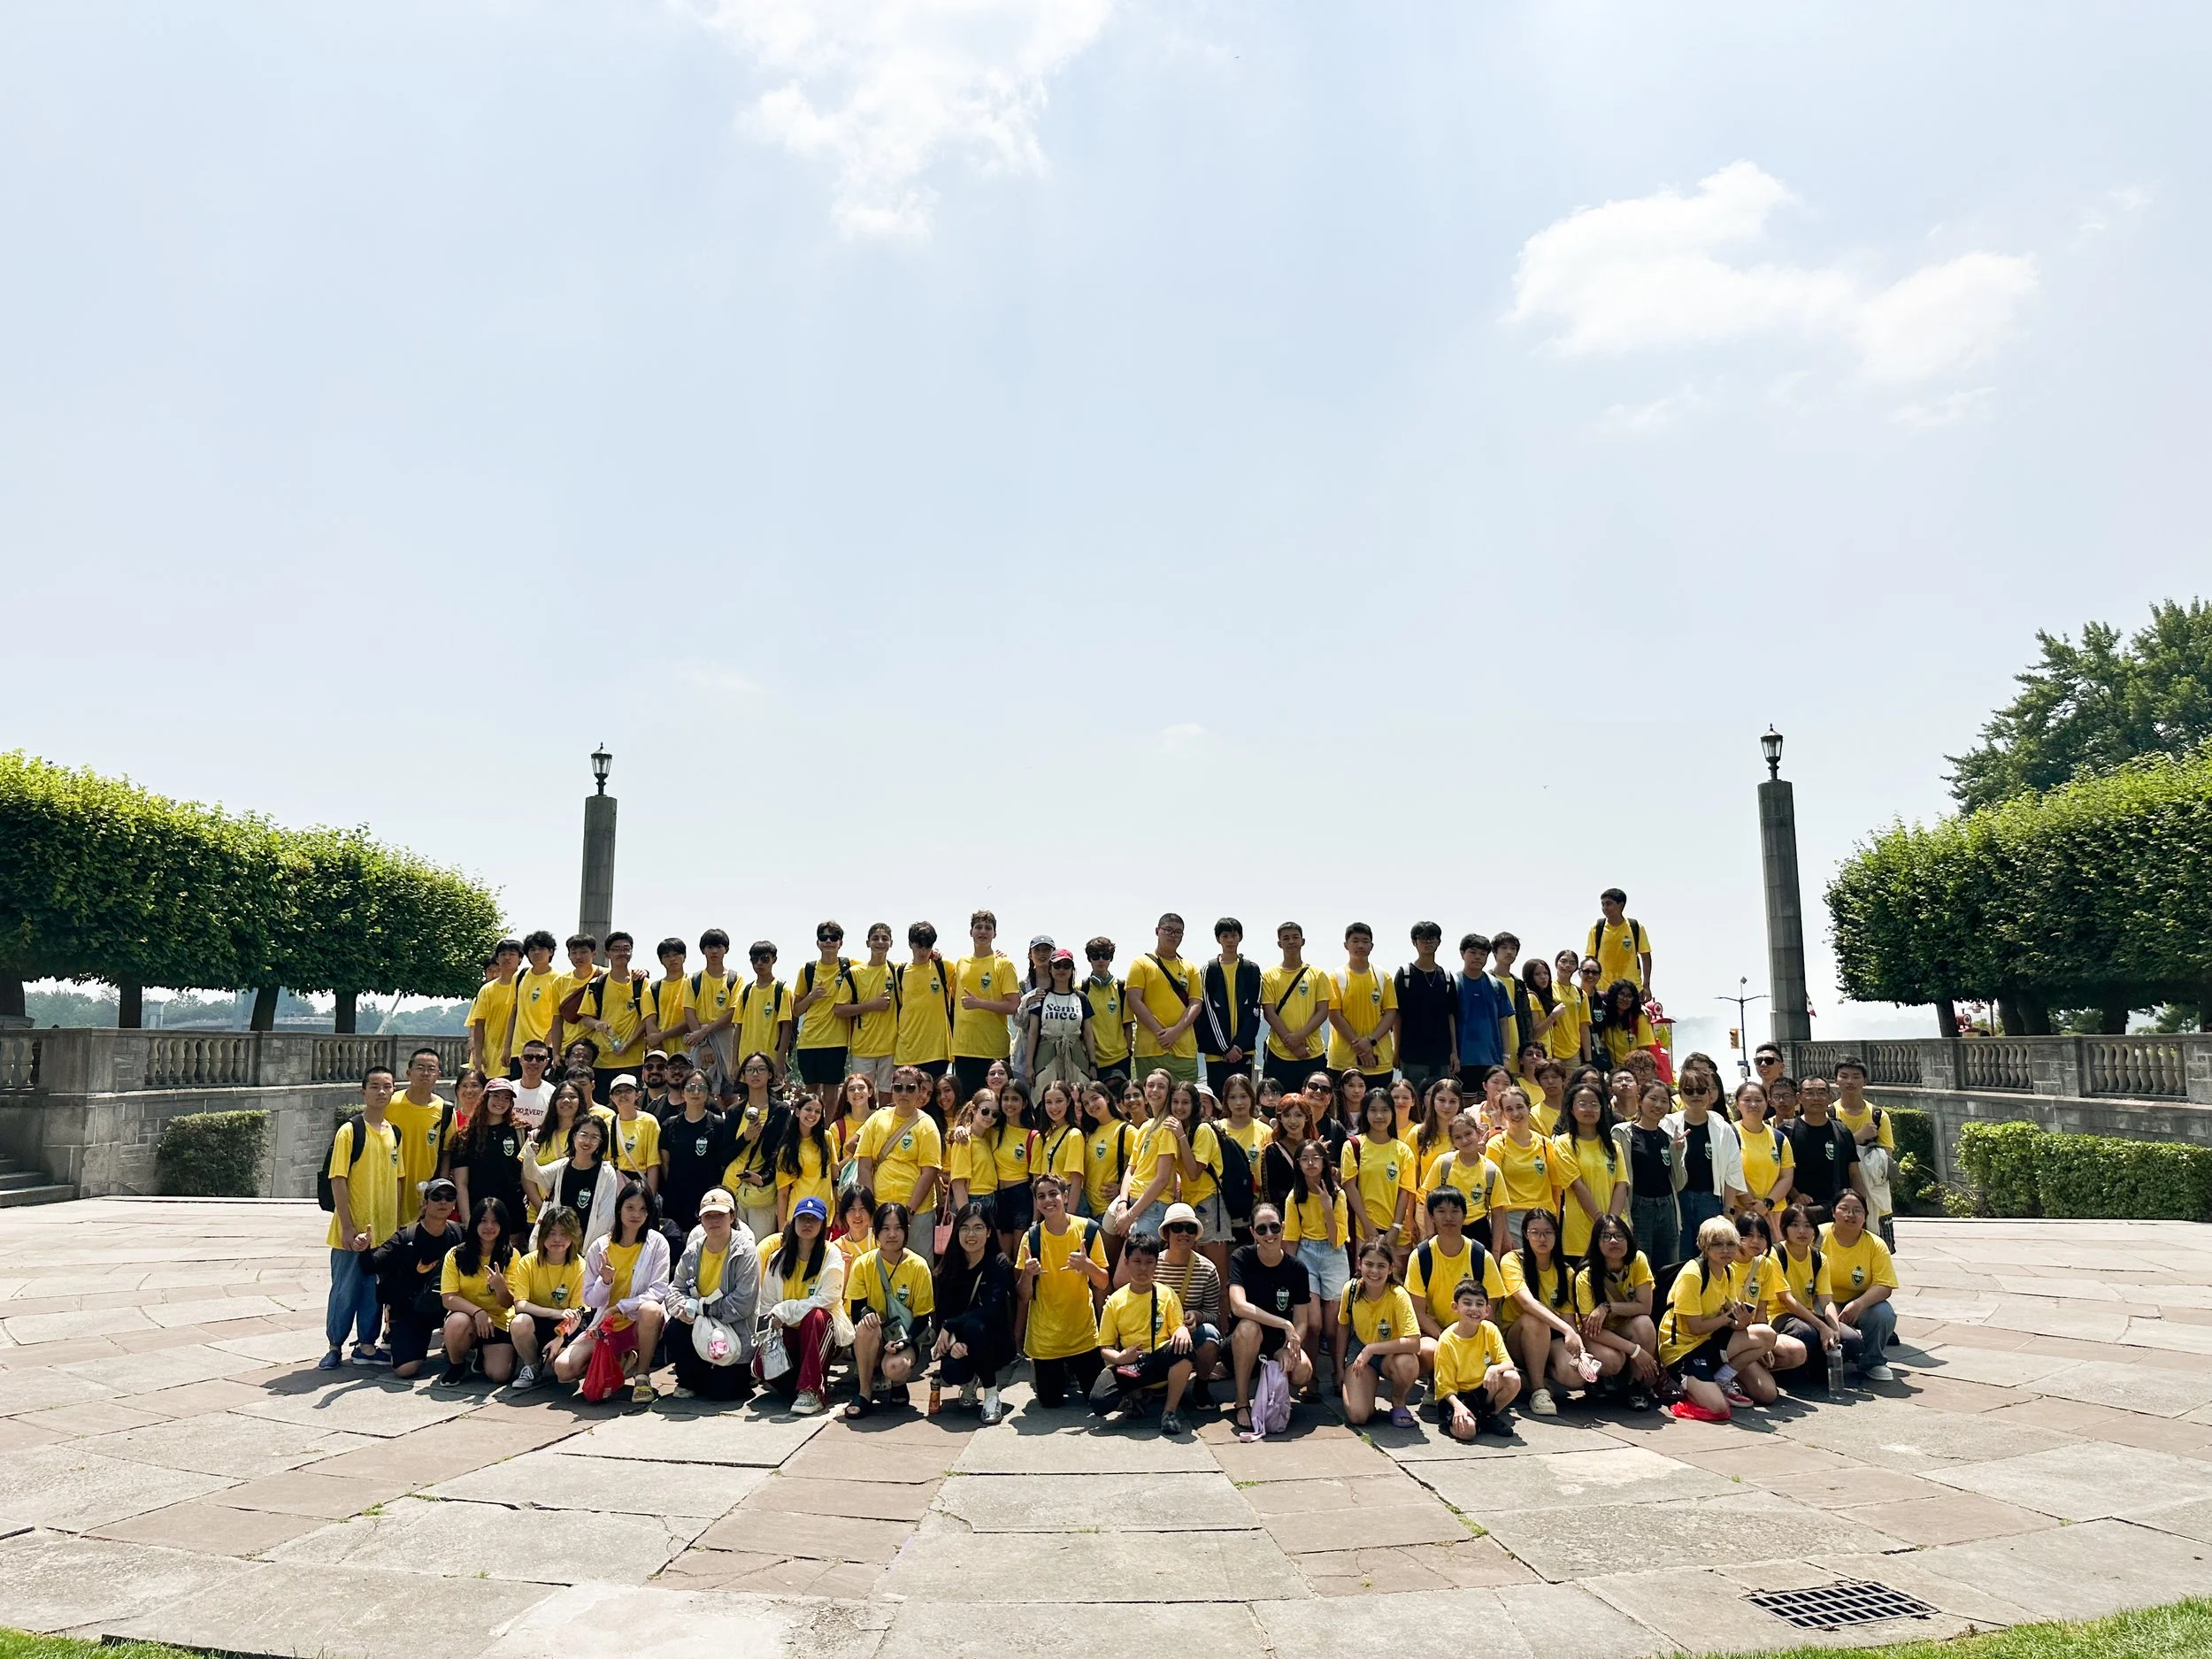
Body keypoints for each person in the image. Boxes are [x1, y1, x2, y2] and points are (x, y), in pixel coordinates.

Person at [322, 1065, 403, 1371]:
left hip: (383, 1232)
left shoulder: (394, 1133)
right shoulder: (350, 1130)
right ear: (363, 1092)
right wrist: (347, 1226)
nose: (382, 1092)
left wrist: (396, 1226)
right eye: (375, 1086)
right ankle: (334, 1346)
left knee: (374, 1292)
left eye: (387, 1086)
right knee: (344, 1291)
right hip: (352, 1230)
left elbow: (398, 1180)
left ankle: (367, 1345)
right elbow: (338, 1178)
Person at [565, 1181, 670, 1404]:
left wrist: (620, 1307)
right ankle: (620, 1360)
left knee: (651, 1310)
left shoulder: (657, 1243)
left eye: (643, 1209)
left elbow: (659, 1290)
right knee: (564, 1369)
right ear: (619, 1208)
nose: (636, 1214)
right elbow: (590, 1299)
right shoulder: (599, 1247)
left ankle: (642, 1375)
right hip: (606, 1326)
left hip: (639, 1323)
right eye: (630, 1207)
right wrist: (605, 1281)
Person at [1017, 1174, 1110, 1408]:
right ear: (1036, 1202)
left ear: (1065, 1197)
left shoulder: (1088, 1230)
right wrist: (1028, 1274)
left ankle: (1069, 1370)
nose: (1048, 1200)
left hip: (1083, 1335)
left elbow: (1103, 1283)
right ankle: (1055, 1371)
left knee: (1099, 1400)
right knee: (1050, 1402)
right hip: (1046, 1338)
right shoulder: (1031, 1238)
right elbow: (1023, 1296)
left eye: (1053, 1194)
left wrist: (1088, 1266)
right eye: (1041, 1196)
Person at [1658, 1216, 1762, 1421]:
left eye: (1730, 1244)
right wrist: (1728, 1318)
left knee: (1765, 1335)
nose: (1725, 1250)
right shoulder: (1693, 1273)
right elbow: (1694, 1327)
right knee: (1718, 1409)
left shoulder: (1728, 1272)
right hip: (1682, 1350)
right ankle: (1677, 1382)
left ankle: (1721, 1379)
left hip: (1708, 1340)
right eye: (1717, 1244)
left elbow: (1732, 1318)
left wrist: (1741, 1321)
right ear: (1705, 1246)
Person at [664, 1187, 763, 1402]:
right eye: (708, 1216)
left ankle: (738, 1375)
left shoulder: (746, 1250)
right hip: (698, 1325)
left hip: (734, 1329)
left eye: (720, 1214)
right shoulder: (692, 1250)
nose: (714, 1220)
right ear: (700, 1220)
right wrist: (683, 1309)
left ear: (732, 1217)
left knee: (722, 1393)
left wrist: (703, 1309)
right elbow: (674, 1290)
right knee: (674, 1328)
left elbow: (744, 1302)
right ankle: (689, 1378)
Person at [1093, 1231, 1196, 1433]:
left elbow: (1177, 1329)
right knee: (1099, 1402)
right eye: (1137, 1261)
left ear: (1156, 1264)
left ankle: (1169, 1412)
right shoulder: (1115, 1301)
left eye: (1149, 1262)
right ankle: (1137, 1396)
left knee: (1184, 1349)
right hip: (1130, 1363)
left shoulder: (1166, 1294)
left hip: (1158, 1358)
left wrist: (1183, 1329)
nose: (1143, 1268)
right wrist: (1121, 1357)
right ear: (1126, 1262)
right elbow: (1105, 1347)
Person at [1226, 1202, 1317, 1431]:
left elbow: (1302, 1321)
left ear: (1283, 1227)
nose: (1269, 1234)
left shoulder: (1297, 1268)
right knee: (1249, 1327)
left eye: (1275, 1227)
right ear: (1253, 1233)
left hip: (1278, 1343)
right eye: (1262, 1229)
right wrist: (1284, 1323)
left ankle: (1273, 1394)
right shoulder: (1242, 1257)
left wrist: (1288, 1347)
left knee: (1303, 1370)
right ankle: (1241, 1402)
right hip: (1242, 1342)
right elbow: (1238, 1306)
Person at [754, 1194, 848, 1414]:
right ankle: (802, 1382)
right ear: (793, 1221)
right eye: (802, 1218)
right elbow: (768, 1305)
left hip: (821, 1333)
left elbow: (828, 1299)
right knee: (760, 1365)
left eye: (813, 1219)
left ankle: (812, 1390)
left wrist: (785, 1310)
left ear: (823, 1224)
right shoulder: (777, 1259)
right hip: (787, 1333)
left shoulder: (831, 1254)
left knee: (816, 1316)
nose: (807, 1224)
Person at [1404, 1187, 1509, 1371]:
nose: (1449, 1217)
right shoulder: (1421, 1256)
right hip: (1435, 1332)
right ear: (1431, 1216)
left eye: (1455, 1211)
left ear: (1464, 1216)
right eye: (1441, 1211)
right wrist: (1447, 1338)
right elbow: (1418, 1312)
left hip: (1473, 1330)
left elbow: (1489, 1313)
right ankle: (1437, 1380)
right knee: (1428, 1351)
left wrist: (1468, 1339)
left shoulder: (1481, 1256)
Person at [845, 1202, 934, 1415]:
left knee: (895, 1367)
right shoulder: (863, 1263)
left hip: (905, 1336)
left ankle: (898, 1382)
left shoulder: (919, 1266)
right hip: (875, 1337)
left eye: (898, 1228)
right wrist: (867, 1314)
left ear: (907, 1230)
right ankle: (864, 1392)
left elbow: (923, 1317)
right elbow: (856, 1311)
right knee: (866, 1326)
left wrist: (905, 1342)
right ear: (875, 1231)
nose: (892, 1234)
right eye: (885, 1228)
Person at [371, 1177, 463, 1379]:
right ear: (425, 1203)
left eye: (449, 1197)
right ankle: (395, 1333)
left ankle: (461, 1349)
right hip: (413, 1310)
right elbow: (373, 1264)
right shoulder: (405, 1238)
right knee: (405, 1370)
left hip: (448, 1306)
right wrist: (363, 1247)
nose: (443, 1202)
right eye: (437, 1197)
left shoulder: (459, 1233)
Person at [931, 1200, 1016, 1423]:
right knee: (952, 1372)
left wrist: (952, 1326)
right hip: (962, 1340)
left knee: (974, 1327)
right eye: (965, 1228)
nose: (971, 1234)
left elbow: (992, 1311)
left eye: (978, 1228)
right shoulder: (948, 1269)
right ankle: (969, 1381)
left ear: (988, 1232)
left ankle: (991, 1395)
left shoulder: (998, 1264)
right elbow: (943, 1314)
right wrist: (954, 1341)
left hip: (995, 1342)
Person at [1573, 1213, 1661, 1410]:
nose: (1614, 1241)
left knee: (1645, 1324)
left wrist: (1607, 1307)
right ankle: (1598, 1380)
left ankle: (1634, 1386)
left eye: (1619, 1235)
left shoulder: (1638, 1260)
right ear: (1596, 1242)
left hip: (1624, 1327)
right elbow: (1591, 1329)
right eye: (1606, 1236)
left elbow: (1645, 1307)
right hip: (1597, 1335)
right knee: (1613, 1361)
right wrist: (1635, 1351)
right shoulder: (1585, 1275)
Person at [1336, 1238, 1421, 1429]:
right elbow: (1343, 1327)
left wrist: (1372, 1349)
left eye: (1381, 1266)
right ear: (1359, 1264)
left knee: (1407, 1363)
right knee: (1358, 1416)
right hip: (1360, 1350)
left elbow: (1414, 1342)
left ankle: (1398, 1401)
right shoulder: (1351, 1289)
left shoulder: (1398, 1295)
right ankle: (1364, 1390)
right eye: (1369, 1264)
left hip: (1391, 1354)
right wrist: (1339, 1368)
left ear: (1391, 1268)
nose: (1374, 1271)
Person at [436, 1195, 518, 1386]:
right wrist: (478, 1312)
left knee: (499, 1375)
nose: (489, 1227)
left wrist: (500, 1287)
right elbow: (448, 1298)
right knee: (457, 1322)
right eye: (483, 1221)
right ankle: (457, 1364)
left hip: (498, 1321)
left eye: (495, 1221)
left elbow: (508, 1303)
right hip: (468, 1318)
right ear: (474, 1223)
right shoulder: (456, 1254)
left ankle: (482, 1353)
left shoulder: (511, 1255)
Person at [559, 932, 654, 1095]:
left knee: (629, 1104)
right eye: (616, 949)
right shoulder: (597, 984)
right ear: (607, 954)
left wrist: (627, 1045)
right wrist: (598, 1024)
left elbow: (647, 1019)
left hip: (632, 1060)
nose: (622, 953)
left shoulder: (642, 983)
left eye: (626, 949)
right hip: (601, 1060)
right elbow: (586, 1018)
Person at [1819, 1190, 1899, 1382]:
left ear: (1865, 1216)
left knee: (1883, 1314)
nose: (1851, 1215)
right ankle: (1823, 1361)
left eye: (1857, 1210)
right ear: (1833, 1212)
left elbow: (1884, 1285)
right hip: (1822, 1300)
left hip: (1858, 1300)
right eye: (1844, 1209)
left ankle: (1873, 1361)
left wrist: (1858, 1304)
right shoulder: (1818, 1236)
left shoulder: (1876, 1244)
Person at [507, 1202, 586, 1389]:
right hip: (538, 1320)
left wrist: (560, 1336)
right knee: (519, 1322)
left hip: (567, 1326)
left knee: (563, 1369)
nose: (557, 1239)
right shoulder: (528, 1262)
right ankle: (532, 1366)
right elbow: (520, 1304)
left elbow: (579, 1312)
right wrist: (555, 1312)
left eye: (563, 1233)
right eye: (551, 1233)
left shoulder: (580, 1266)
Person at [1664, 1058, 1744, 1240]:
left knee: (1712, 1251)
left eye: (1701, 1090)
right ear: (1681, 1094)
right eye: (1689, 1090)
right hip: (1678, 1199)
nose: (1695, 1095)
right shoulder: (1668, 1124)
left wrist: (1727, 1210)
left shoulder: (1723, 1128)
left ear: (1710, 1094)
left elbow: (1732, 1171)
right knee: (1682, 1253)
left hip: (1711, 1200)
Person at [1770, 1203, 1847, 1392]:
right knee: (1807, 1333)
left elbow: (1826, 1300)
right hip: (1778, 1316)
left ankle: (1814, 1368)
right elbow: (1786, 1299)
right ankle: (1794, 1369)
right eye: (1795, 1225)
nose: (1802, 1231)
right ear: (1784, 1229)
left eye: (1808, 1226)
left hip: (1806, 1315)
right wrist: (1822, 1327)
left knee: (1850, 1339)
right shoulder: (1775, 1254)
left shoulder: (1818, 1258)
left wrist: (1834, 1328)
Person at [1432, 1279, 1520, 1440]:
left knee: (1512, 1378)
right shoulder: (1447, 1340)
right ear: (1455, 1307)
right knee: (1468, 1432)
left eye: (1479, 1304)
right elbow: (1445, 1387)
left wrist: (1495, 1368)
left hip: (1482, 1390)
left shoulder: (1490, 1329)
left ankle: (1489, 1415)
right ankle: (1456, 1422)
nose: (1474, 1309)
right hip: (1457, 1396)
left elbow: (1508, 1363)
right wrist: (1458, 1407)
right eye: (1467, 1303)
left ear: (1487, 1310)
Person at [1127, 914, 1205, 1087]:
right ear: (1157, 931)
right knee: (1151, 1098)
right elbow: (1134, 1000)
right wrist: (1160, 1033)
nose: (1173, 935)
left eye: (1178, 932)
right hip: (1150, 1049)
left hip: (1184, 1050)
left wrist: (1175, 1032)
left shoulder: (1191, 968)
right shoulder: (1141, 963)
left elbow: (1196, 1003)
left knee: (1184, 1099)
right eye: (1168, 930)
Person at [950, 910, 1022, 1098]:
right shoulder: (961, 962)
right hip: (964, 1048)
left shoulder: (1004, 964)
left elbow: (1013, 1006)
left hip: (993, 1049)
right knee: (968, 1105)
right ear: (971, 932)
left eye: (988, 928)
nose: (983, 931)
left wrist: (979, 1003)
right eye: (978, 927)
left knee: (997, 1104)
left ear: (994, 934)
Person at [720, 1053, 790, 1242]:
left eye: (761, 1069)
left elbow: (780, 1151)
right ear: (743, 1076)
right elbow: (724, 1155)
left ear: (770, 1074)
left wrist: (763, 1178)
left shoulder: (781, 1111)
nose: (755, 1074)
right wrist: (745, 1138)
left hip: (761, 1189)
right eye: (750, 1070)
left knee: (760, 1246)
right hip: (732, 1187)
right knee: (734, 1246)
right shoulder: (734, 1111)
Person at [1341, 1080, 1417, 1256]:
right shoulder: (1353, 1146)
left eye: (1384, 1110)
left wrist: (1395, 1228)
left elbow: (1404, 1193)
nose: (1379, 1116)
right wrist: (1367, 1225)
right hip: (1361, 1230)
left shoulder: (1403, 1150)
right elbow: (1350, 1186)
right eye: (1373, 1110)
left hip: (1394, 1234)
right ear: (1365, 1113)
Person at [1156, 1202, 1224, 1393]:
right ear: (1167, 1233)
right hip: (1157, 1331)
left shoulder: (1207, 1269)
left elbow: (1213, 1315)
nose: (1184, 1233)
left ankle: (1201, 1385)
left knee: (1210, 1334)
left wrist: (1197, 1316)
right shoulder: (1152, 1264)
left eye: (1190, 1228)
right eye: (1177, 1227)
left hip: (1191, 1334)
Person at [1554, 1083, 1625, 1260]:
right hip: (1580, 1233)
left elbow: (1621, 1185)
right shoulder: (1564, 1143)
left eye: (1594, 1104)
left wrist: (1612, 1224)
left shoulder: (1613, 1146)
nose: (1589, 1109)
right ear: (1571, 1109)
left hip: (1615, 1234)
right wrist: (1601, 1221)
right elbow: (1576, 1185)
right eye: (1582, 1103)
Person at [1615, 1079, 1682, 1267]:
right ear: (1640, 1100)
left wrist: (1677, 1152)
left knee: (1669, 1267)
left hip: (1667, 1206)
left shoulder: (1668, 1137)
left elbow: (1679, 1183)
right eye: (1653, 1099)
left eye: (1664, 1101)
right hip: (1638, 1206)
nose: (1658, 1105)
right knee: (1640, 1265)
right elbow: (1619, 1179)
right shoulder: (1622, 1133)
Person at [1484, 1087, 1561, 1250]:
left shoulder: (1546, 1145)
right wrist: (1504, 1233)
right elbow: (1493, 1194)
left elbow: (1556, 1189)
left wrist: (1556, 1224)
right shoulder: (1496, 1145)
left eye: (1520, 1107)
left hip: (1544, 1217)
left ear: (1529, 1108)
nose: (1516, 1113)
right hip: (1511, 1218)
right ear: (1503, 1114)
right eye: (1509, 1109)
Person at [1831, 1058, 1897, 1247]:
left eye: (1856, 1077)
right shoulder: (1830, 1114)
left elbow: (1886, 1159)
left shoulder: (1878, 1116)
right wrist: (1858, 1137)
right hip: (1840, 1189)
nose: (1850, 1081)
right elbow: (1827, 1154)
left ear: (1865, 1081)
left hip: (1875, 1195)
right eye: (1844, 1076)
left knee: (1879, 1249)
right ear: (1836, 1080)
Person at [790, 920, 857, 1107]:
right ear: (817, 942)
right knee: (811, 1096)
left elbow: (877, 964)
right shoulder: (808, 970)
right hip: (809, 1041)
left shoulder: (849, 966)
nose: (828, 941)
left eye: (833, 938)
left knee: (830, 1098)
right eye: (824, 937)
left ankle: (829, 1126)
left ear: (840, 943)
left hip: (836, 1042)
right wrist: (811, 996)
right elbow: (796, 1010)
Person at [1326, 922, 1398, 1095]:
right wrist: (1359, 1045)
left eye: (1365, 941)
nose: (1360, 945)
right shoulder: (1336, 976)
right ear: (1346, 945)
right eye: (1355, 941)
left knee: (1377, 1108)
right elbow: (1334, 1015)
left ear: (1372, 946)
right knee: (1341, 1108)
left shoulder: (1383, 976)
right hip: (1343, 1061)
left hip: (1378, 1061)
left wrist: (1370, 1041)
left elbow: (1390, 1013)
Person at [1260, 922, 1333, 1091]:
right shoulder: (1269, 975)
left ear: (1303, 941)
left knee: (1315, 1100)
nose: (1291, 941)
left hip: (1312, 1051)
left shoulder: (1318, 974)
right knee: (1276, 1101)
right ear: (1279, 943)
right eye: (1286, 938)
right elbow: (1269, 1013)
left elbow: (1323, 1011)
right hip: (1278, 1053)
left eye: (1295, 937)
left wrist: (1299, 1037)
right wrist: (1292, 1043)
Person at [385, 1047, 453, 1226]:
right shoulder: (391, 1104)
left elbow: (447, 1152)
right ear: (408, 1072)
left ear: (438, 1075)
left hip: (425, 1191)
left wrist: (440, 1189)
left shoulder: (445, 1110)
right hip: (389, 1187)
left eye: (431, 1069)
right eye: (420, 1068)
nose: (425, 1073)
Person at [659, 1069, 733, 1233]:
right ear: (683, 1092)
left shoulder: (718, 1124)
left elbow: (722, 1163)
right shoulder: (669, 1125)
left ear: (708, 1093)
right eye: (691, 1087)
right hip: (677, 1198)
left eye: (701, 1088)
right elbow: (665, 1164)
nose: (696, 1092)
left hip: (708, 1199)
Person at [451, 1077, 528, 1233]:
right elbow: (461, 1183)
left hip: (513, 1213)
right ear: (485, 1098)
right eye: (496, 1096)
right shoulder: (465, 1136)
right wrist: (467, 1220)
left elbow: (526, 1175)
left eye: (506, 1098)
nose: (501, 1102)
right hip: (479, 1213)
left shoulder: (520, 1131)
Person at [1784, 1075, 1864, 1224]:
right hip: (1800, 1214)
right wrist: (1795, 1195)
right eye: (1809, 1093)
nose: (1816, 1098)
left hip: (1838, 1213)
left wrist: (1860, 1207)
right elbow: (1778, 1173)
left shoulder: (1841, 1131)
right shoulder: (1787, 1131)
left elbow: (1854, 1173)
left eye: (1821, 1093)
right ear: (1799, 1097)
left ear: (1830, 1097)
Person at [1199, 918, 1263, 1093]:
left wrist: (1239, 1045)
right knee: (1219, 1100)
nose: (1229, 940)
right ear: (1218, 939)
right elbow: (1208, 1011)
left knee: (1243, 1099)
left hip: (1244, 1052)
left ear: (1240, 937)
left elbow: (1255, 1011)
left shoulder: (1251, 969)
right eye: (1225, 936)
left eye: (1234, 935)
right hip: (1216, 1053)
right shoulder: (1209, 969)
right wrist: (1226, 1048)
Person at [1392, 922, 1457, 1089]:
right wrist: (1396, 1050)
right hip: (1412, 1053)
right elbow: (1397, 1015)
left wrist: (1454, 1052)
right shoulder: (1405, 974)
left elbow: (1451, 1015)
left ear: (1439, 942)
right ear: (1414, 942)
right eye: (1422, 938)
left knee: (1441, 1098)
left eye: (1432, 938)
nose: (1428, 942)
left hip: (1441, 1054)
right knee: (1414, 1098)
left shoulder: (1446, 977)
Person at [681, 928, 741, 1100]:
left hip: (726, 1037)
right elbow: (689, 1012)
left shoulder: (735, 978)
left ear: (726, 950)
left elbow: (734, 1012)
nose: (714, 951)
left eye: (719, 947)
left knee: (730, 1090)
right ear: (703, 950)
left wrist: (704, 1032)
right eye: (709, 947)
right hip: (699, 1038)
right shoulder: (693, 980)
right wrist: (703, 1044)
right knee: (700, 1088)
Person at [1023, 949, 1094, 1090]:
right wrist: (1029, 1065)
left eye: (1066, 966)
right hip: (1046, 1055)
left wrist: (1092, 1064)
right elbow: (1033, 1033)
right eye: (1057, 965)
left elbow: (1088, 1033)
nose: (1062, 970)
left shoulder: (1081, 998)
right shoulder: (1041, 997)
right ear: (1050, 969)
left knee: (1078, 1095)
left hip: (1075, 1056)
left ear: (1072, 970)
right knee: (1045, 1095)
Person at [1454, 933, 1513, 1089]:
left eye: (1482, 954)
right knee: (1466, 1102)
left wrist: (1506, 1056)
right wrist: (1452, 1054)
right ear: (1462, 953)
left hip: (1492, 1059)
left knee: (1493, 1100)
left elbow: (1504, 1022)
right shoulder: (1453, 983)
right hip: (1463, 1059)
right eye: (1473, 952)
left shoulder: (1496, 985)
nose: (1478, 957)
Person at [734, 942, 795, 1084]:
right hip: (746, 1061)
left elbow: (786, 1027)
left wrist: (780, 1061)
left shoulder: (781, 989)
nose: (759, 963)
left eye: (765, 959)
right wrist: (734, 1063)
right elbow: (738, 1028)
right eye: (754, 960)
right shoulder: (746, 991)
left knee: (771, 1097)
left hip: (770, 1060)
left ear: (774, 960)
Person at [776, 1093, 839, 1228]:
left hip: (825, 1214)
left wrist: (838, 1213)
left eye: (818, 1111)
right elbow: (783, 1193)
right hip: (799, 1215)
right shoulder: (787, 1149)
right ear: (797, 1112)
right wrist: (782, 1228)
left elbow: (835, 1179)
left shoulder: (827, 1138)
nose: (812, 1114)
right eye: (808, 1109)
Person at [1732, 1080, 1795, 1216]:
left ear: (1766, 1103)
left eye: (1758, 1100)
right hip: (1742, 1213)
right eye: (1747, 1100)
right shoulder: (1730, 1135)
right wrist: (1752, 1206)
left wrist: (1767, 1204)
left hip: (1776, 1212)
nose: (1753, 1105)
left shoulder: (1779, 1138)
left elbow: (1786, 1177)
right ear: (1737, 1104)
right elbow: (1732, 1174)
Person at [508, 932, 565, 1072]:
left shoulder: (559, 979)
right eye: (532, 949)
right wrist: (507, 1047)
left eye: (541, 949)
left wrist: (544, 1045)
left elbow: (560, 1017)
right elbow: (514, 1013)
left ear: (551, 952)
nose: (537, 953)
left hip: (545, 1049)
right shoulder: (520, 976)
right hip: (519, 1050)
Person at [1080, 938, 1133, 1090]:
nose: (1101, 960)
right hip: (1093, 1061)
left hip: (1120, 1059)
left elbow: (1128, 1025)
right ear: (1089, 959)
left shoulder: (1122, 988)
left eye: (1105, 956)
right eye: (1095, 956)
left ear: (1111, 958)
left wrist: (1128, 1051)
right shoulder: (1081, 989)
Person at [468, 940, 524, 1079]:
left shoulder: (525, 986)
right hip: (490, 1059)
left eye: (512, 954)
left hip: (518, 1057)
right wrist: (478, 1055)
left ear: (520, 959)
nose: (507, 958)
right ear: (497, 959)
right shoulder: (487, 990)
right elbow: (479, 1024)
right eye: (503, 954)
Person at [1079, 1080, 1133, 1225]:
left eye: (1095, 1098)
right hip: (1086, 1210)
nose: (1091, 1105)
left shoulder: (1126, 1130)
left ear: (1107, 1098)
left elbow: (1144, 1166)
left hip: (1109, 1211)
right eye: (1086, 1103)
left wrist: (1123, 1189)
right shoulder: (1089, 1132)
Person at [1588, 887, 1653, 993]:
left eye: (1609, 904)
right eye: (1603, 904)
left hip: (1631, 989)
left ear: (1621, 905)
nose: (1605, 908)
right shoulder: (1597, 928)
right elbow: (1590, 958)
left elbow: (1645, 957)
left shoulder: (1635, 927)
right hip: (1603, 989)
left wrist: (1646, 985)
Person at [548, 933, 601, 1059]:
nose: (578, 957)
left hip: (598, 1051)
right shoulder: (560, 982)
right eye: (574, 953)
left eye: (583, 952)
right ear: (569, 955)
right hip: (568, 1051)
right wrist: (556, 1053)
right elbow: (557, 1020)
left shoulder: (605, 976)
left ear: (594, 953)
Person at [606, 1076, 661, 1194]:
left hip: (639, 1185)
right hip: (612, 1185)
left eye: (628, 1090)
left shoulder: (649, 1122)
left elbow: (653, 1164)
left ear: (637, 1094)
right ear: (612, 1098)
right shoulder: (607, 1124)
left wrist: (650, 1197)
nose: (623, 1095)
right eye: (618, 1092)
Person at [648, 938, 693, 1068]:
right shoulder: (653, 988)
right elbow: (650, 1022)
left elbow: (692, 1020)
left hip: (690, 1051)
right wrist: (660, 1051)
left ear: (684, 956)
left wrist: (662, 1036)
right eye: (667, 956)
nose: (672, 959)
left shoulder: (694, 983)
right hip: (661, 1055)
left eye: (676, 954)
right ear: (661, 960)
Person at [1547, 949, 1589, 1064]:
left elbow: (1584, 1027)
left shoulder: (1581, 993)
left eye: (1572, 963)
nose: (1567, 966)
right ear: (1556, 964)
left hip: (1573, 1052)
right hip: (1551, 1051)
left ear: (1576, 968)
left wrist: (1588, 1059)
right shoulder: (1547, 989)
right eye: (1563, 961)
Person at [510, 1041, 557, 1132]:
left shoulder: (553, 1093)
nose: (534, 1062)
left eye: (540, 1058)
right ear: (520, 1060)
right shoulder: (508, 1089)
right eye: (528, 1057)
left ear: (546, 1062)